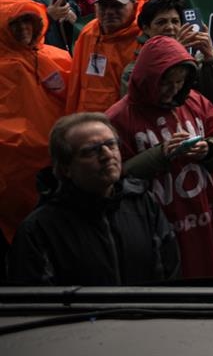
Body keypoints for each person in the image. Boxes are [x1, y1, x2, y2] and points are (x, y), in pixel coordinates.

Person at [105, 36, 213, 278]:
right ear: (148, 79)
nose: (174, 90)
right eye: (166, 83)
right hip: (152, 225)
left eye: (180, 82)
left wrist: (209, 150)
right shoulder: (118, 118)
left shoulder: (194, 101)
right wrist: (159, 155)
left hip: (202, 219)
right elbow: (110, 177)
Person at [7, 112, 178, 285]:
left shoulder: (142, 204)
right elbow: (38, 302)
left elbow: (168, 272)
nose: (107, 155)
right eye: (90, 151)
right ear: (66, 168)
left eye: (111, 144)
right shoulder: (39, 229)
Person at [0, 0, 74, 246]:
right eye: (14, 24)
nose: (22, 29)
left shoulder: (57, 57)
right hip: (16, 169)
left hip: (61, 157)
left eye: (27, 21)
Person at [65, 0, 144, 114]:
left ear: (134, 6)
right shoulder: (89, 32)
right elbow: (76, 80)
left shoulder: (144, 35)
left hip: (127, 118)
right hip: (90, 119)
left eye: (116, 6)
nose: (109, 12)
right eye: (103, 6)